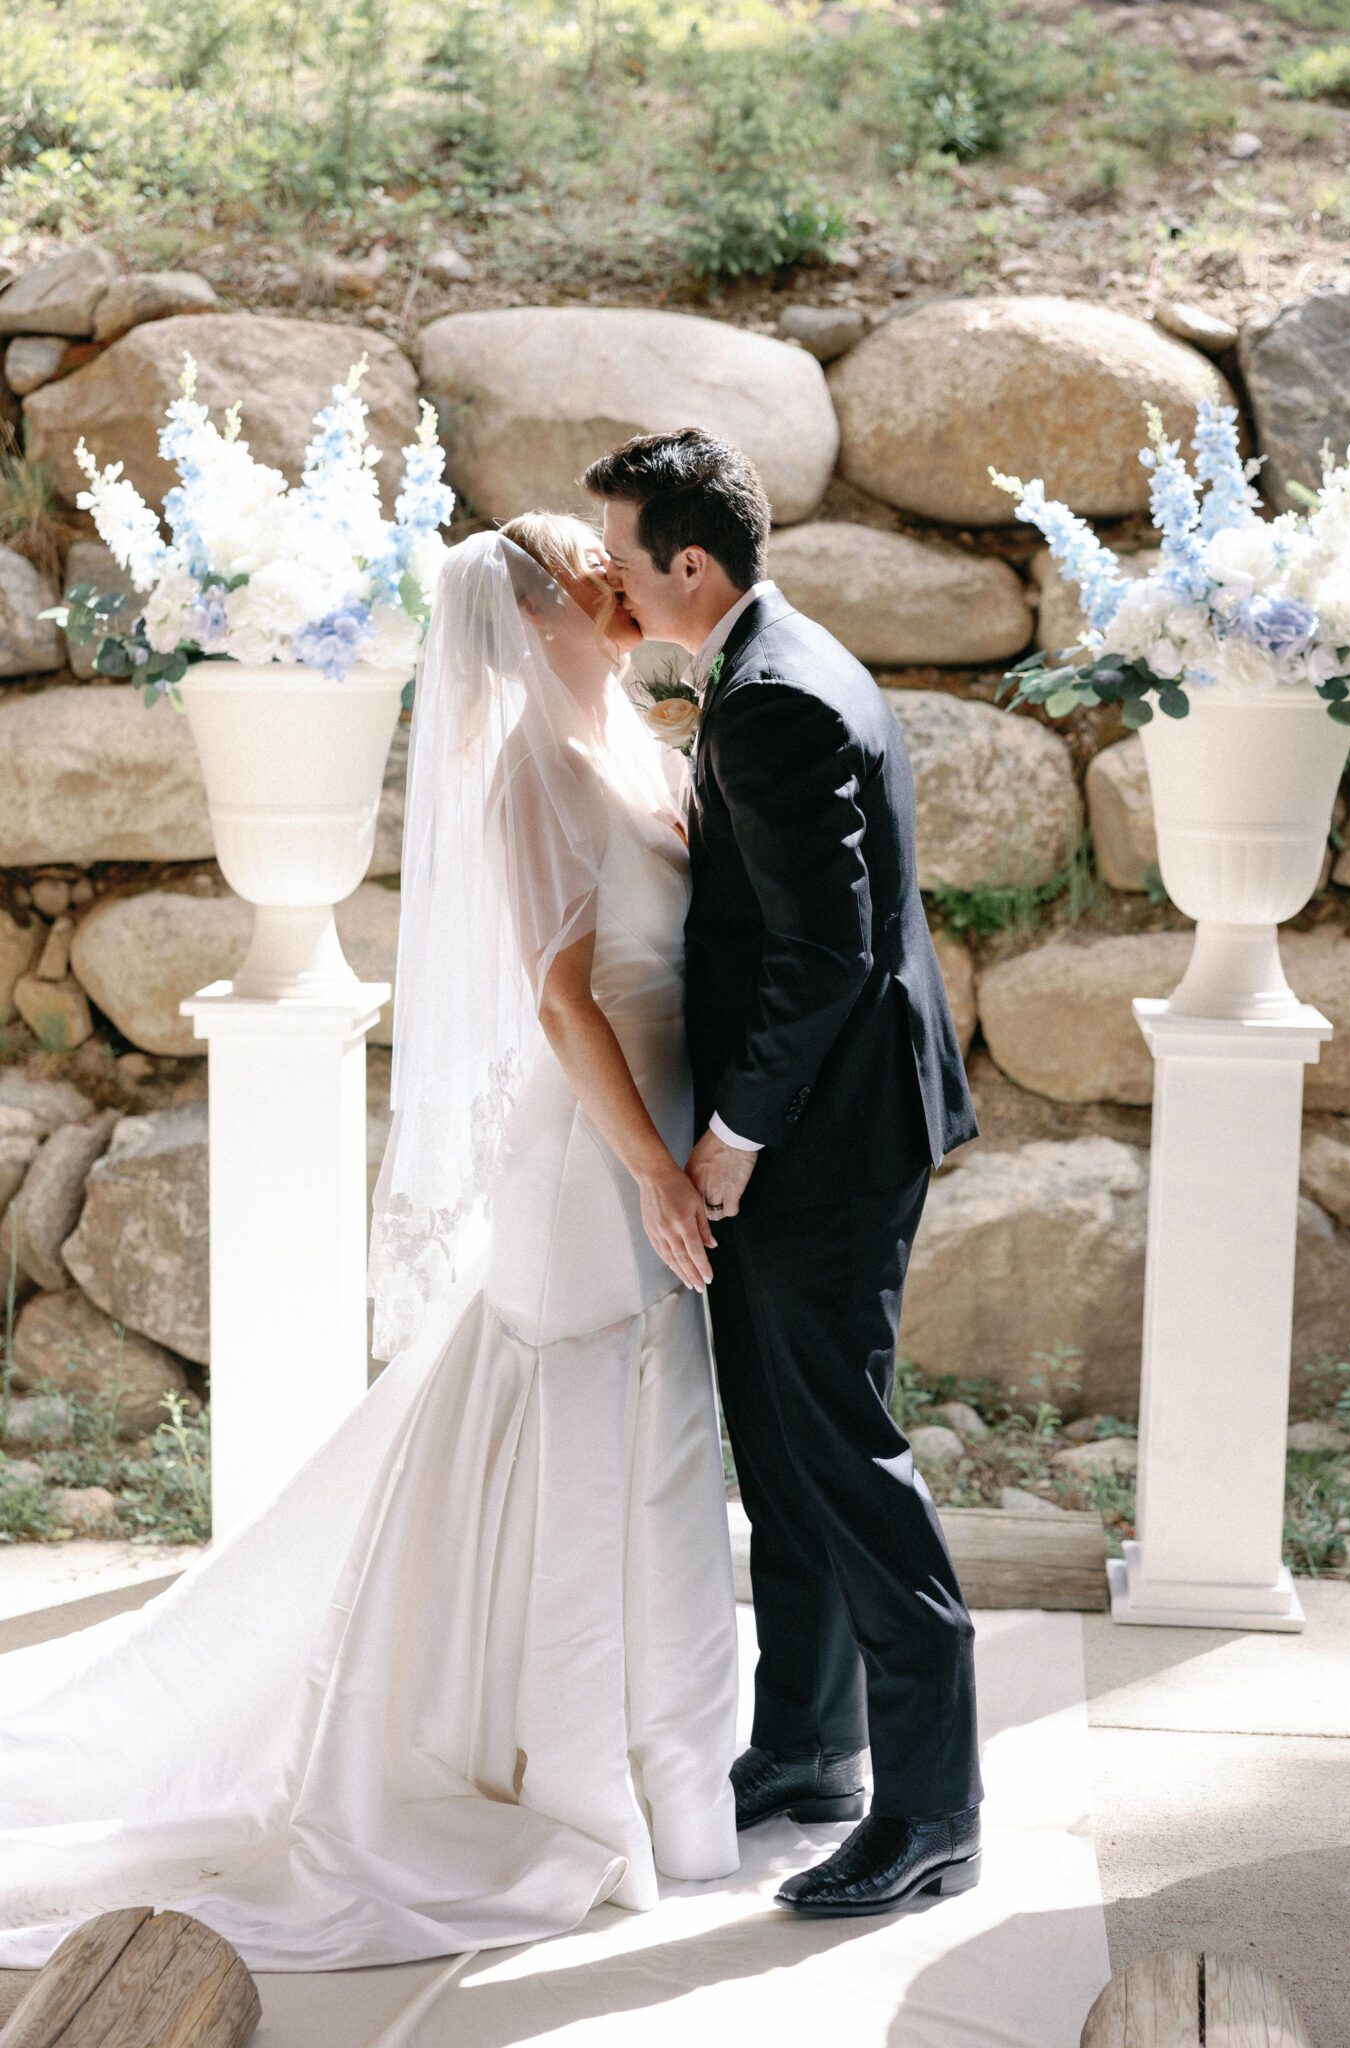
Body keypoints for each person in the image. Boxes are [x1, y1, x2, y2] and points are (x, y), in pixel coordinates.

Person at [0, 515, 739, 1971]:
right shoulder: (525, 770)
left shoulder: (638, 742)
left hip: (668, 1120)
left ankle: (684, 1781)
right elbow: (560, 999)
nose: (615, 575)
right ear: (534, 611)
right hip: (593, 1149)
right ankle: (573, 1785)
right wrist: (652, 1166)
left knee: (661, 1456)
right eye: (584, 565)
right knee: (585, 1446)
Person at [585, 429, 985, 1919]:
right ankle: (812, 1748)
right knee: (782, 1450)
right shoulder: (768, 664)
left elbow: (827, 953)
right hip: (813, 1129)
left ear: (690, 563)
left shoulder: (772, 699)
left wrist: (730, 1139)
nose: (615, 591)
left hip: (823, 1143)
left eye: (625, 564)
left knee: (845, 1458)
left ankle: (933, 1810)